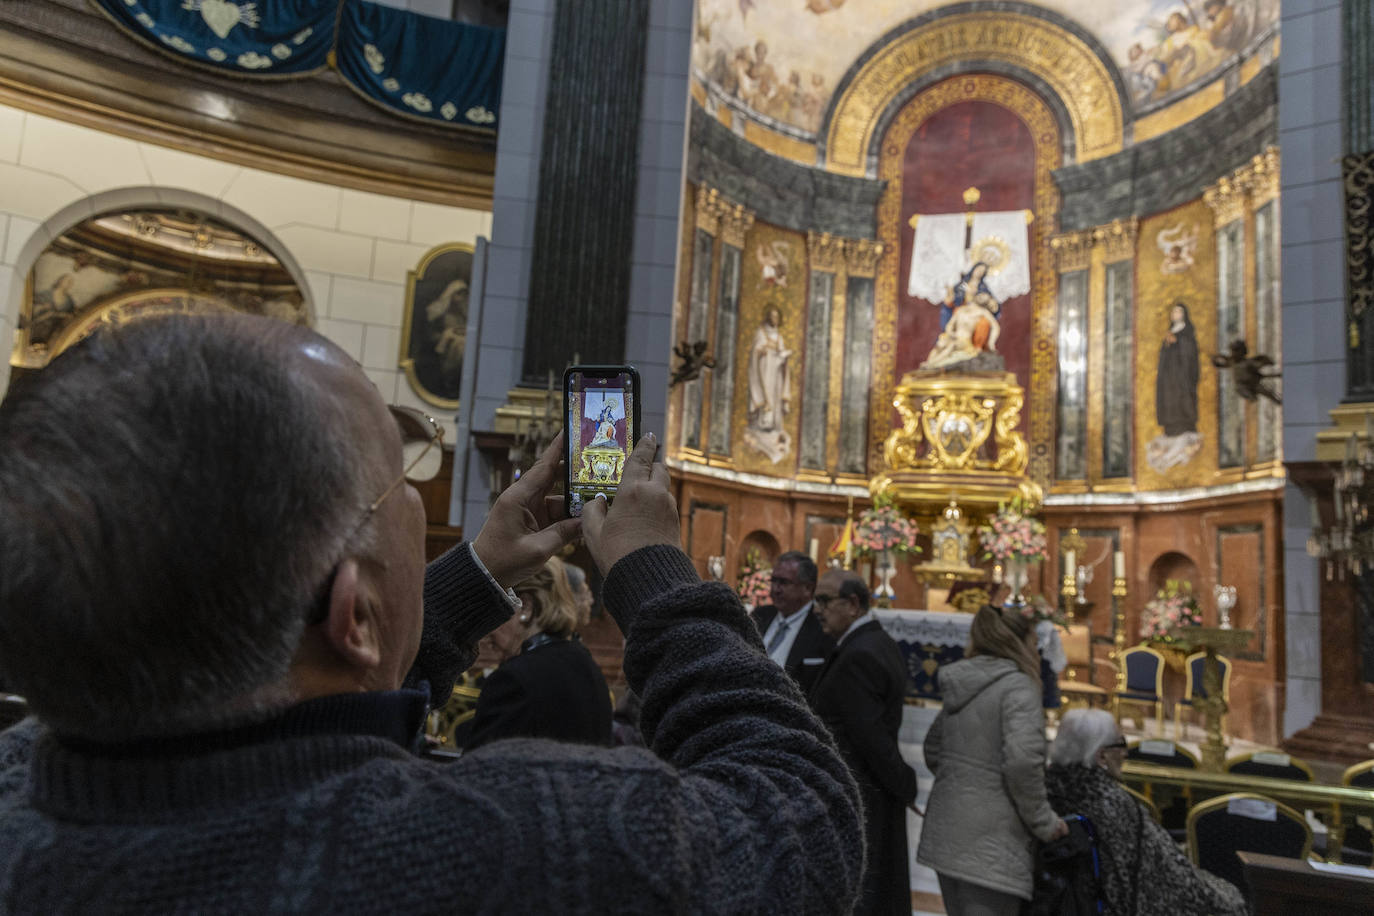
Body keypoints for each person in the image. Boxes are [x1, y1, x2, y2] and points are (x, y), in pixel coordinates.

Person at [0, 312, 864, 913]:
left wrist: (468, 577)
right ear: (355, 613)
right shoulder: (528, 843)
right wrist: (656, 579)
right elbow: (803, 817)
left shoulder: (19, 783)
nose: (419, 495)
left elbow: (287, 710)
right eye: (401, 479)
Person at [918, 604, 1068, 916]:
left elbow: (933, 748)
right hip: (993, 841)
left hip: (949, 829)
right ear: (1021, 643)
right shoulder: (1018, 687)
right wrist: (1044, 823)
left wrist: (964, 779)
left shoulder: (961, 682)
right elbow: (1022, 764)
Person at [1046, 710, 1248, 915]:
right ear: (1101, 756)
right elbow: (1166, 873)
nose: (1125, 753)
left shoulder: (1046, 789)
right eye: (1120, 744)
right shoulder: (1113, 804)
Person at [808, 568, 917, 916]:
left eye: (825, 600)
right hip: (868, 788)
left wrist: (904, 783)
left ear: (853, 604)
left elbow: (869, 737)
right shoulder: (870, 643)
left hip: (863, 791)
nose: (817, 609)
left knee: (865, 894)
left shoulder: (860, 654)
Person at [462, 557, 612, 749]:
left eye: (494, 611)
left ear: (525, 606)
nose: (487, 631)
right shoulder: (585, 663)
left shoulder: (514, 680)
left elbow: (478, 771)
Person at [749, 550, 834, 697]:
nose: (775, 589)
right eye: (773, 581)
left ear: (808, 588)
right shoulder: (760, 615)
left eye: (783, 582)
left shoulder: (823, 626)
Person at [1156, 301, 1199, 437]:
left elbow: (1191, 352)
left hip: (1182, 377)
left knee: (1183, 401)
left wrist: (1178, 342)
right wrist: (1168, 345)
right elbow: (1163, 354)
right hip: (1169, 377)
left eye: (1178, 311)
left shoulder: (1187, 332)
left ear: (1184, 314)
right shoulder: (1170, 331)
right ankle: (1170, 428)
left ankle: (1185, 427)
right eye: (1173, 312)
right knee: (1169, 400)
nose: (1175, 314)